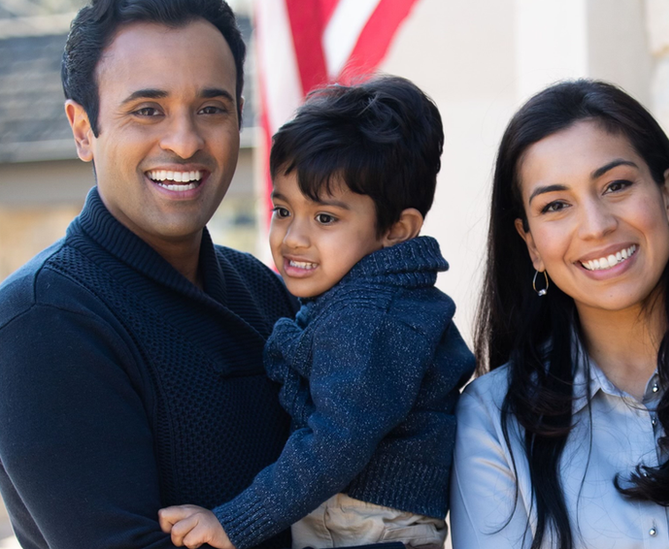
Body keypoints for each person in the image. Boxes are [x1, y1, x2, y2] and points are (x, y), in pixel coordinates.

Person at [0, 1, 297, 548]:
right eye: (147, 110)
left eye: (211, 108)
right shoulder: (42, 321)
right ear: (83, 129)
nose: (185, 142)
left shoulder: (262, 290)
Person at [157, 76, 476, 549]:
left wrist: (235, 521)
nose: (293, 238)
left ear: (396, 229)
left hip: (358, 520)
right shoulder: (378, 297)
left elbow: (335, 443)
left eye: (325, 218)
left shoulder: (366, 317)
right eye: (282, 211)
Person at [450, 79, 669, 548]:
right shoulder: (494, 421)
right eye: (555, 205)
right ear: (531, 243)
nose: (596, 226)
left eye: (616, 185)